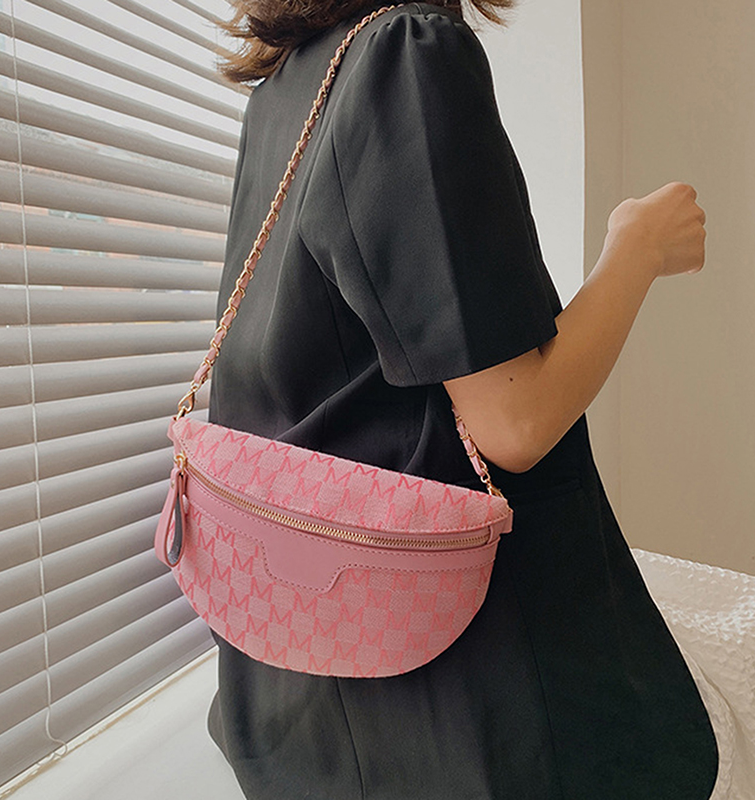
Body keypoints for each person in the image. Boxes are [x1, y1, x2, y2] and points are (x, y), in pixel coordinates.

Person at [205, 2, 719, 798]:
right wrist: (635, 247)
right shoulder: (405, 53)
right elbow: (516, 420)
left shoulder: (285, 87)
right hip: (463, 710)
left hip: (303, 697)